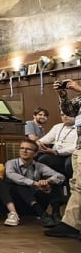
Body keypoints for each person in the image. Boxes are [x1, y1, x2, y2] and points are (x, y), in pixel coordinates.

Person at [45, 78, 81, 239]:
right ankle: (71, 224)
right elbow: (69, 111)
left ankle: (70, 224)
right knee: (76, 186)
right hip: (79, 146)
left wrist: (80, 89)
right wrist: (63, 95)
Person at [5, 139, 65, 227]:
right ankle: (43, 215)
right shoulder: (11, 163)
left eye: (28, 149)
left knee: (54, 182)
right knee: (20, 184)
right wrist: (35, 183)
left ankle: (55, 213)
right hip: (18, 204)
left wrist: (47, 181)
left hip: (36, 200)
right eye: (22, 148)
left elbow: (60, 176)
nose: (24, 151)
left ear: (35, 153)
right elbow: (11, 175)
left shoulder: (39, 166)